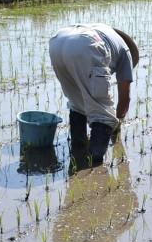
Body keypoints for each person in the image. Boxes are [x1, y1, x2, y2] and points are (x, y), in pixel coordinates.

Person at [48, 23, 139, 167]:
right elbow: (125, 99)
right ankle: (93, 163)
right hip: (87, 45)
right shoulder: (125, 53)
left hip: (58, 41)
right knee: (103, 114)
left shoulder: (105, 33)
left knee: (77, 103)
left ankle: (78, 149)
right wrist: (117, 123)